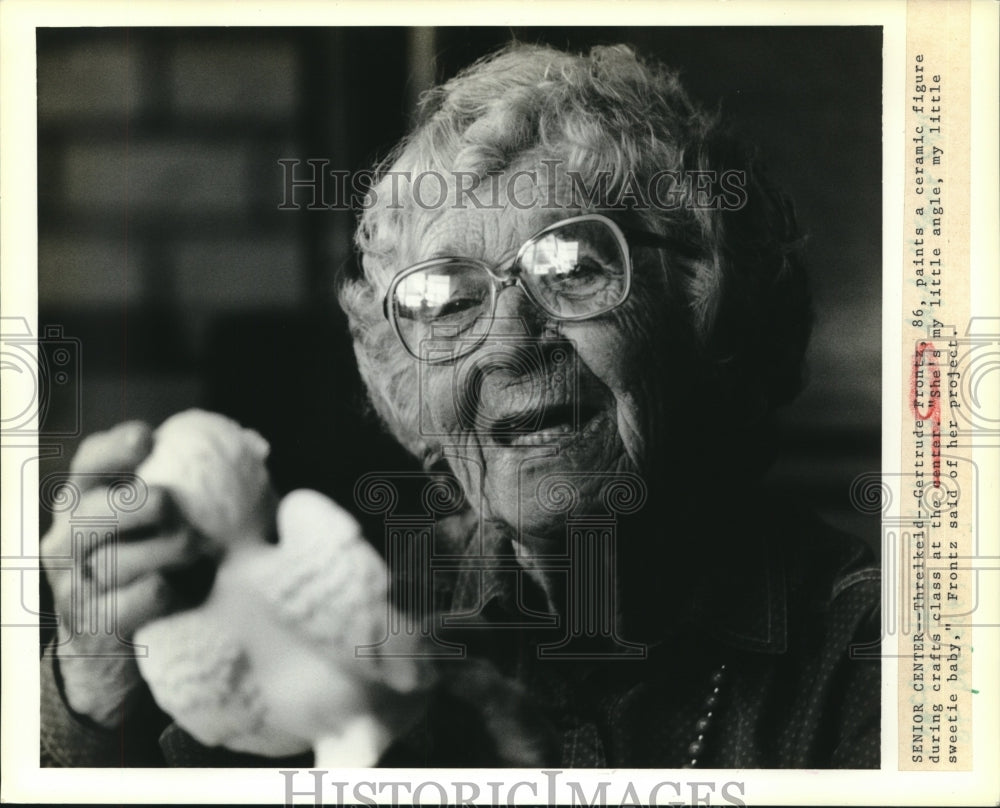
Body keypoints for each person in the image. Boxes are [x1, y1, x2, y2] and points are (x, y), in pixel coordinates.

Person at [40, 42, 880, 769]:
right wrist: (96, 683)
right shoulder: (356, 607)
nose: (512, 342)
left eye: (576, 266)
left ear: (711, 310)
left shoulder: (876, 647)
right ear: (407, 385)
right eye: (445, 299)